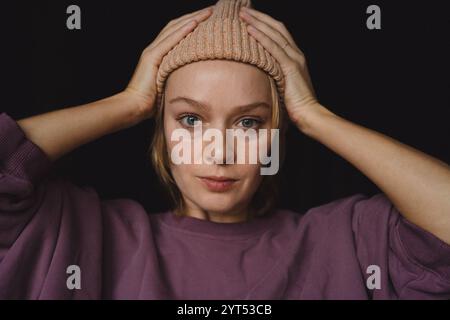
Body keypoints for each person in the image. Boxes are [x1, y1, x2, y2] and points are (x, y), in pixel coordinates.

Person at [1, 0, 449, 299]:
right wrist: (127, 104)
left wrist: (317, 116)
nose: (219, 153)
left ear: (278, 134)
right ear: (160, 129)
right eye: (190, 119)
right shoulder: (84, 232)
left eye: (249, 122)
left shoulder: (348, 241)